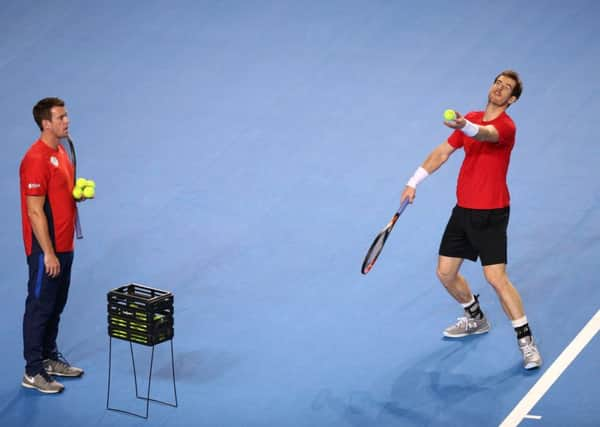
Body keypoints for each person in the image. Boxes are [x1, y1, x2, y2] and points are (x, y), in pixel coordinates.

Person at [400, 70, 542, 369]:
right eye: (497, 83)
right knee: (445, 273)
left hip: (492, 213)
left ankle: (526, 342)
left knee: (496, 279)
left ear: (512, 99)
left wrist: (465, 125)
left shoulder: (505, 127)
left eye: (507, 88)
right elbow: (442, 152)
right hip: (463, 211)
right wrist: (414, 181)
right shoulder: (473, 117)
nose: (499, 89)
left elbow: (484, 134)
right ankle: (476, 318)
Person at [20, 97, 84, 394]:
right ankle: (33, 371)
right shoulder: (35, 159)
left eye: (66, 115)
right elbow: (35, 211)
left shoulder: (62, 149)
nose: (66, 121)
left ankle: (48, 357)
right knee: (39, 307)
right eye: (61, 117)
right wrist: (47, 253)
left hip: (65, 243)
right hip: (46, 250)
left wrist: (77, 194)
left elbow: (60, 194)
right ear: (46, 123)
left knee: (56, 305)